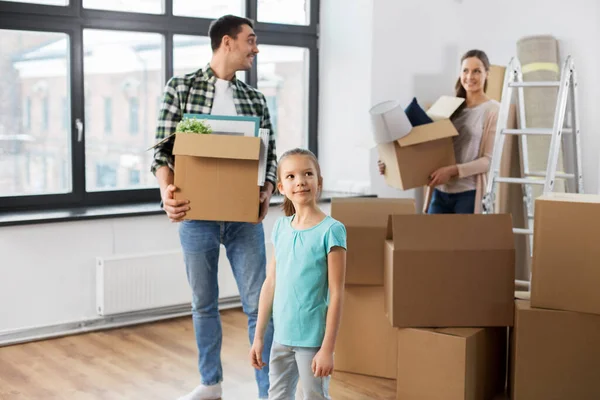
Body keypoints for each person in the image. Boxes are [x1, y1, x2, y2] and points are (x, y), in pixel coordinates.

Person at [151, 15, 278, 400]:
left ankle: (268, 389)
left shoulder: (255, 99)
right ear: (228, 42)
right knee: (203, 304)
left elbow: (268, 157)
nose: (255, 48)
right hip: (196, 215)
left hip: (244, 218)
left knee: (259, 305)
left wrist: (266, 191)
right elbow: (162, 150)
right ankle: (211, 383)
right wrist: (166, 193)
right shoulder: (182, 88)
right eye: (250, 40)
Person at [249, 148, 347, 400]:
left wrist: (328, 349)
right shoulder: (281, 227)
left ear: (319, 182)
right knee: (277, 396)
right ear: (281, 187)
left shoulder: (332, 230)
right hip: (281, 337)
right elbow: (270, 283)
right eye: (291, 176)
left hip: (312, 340)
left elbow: (336, 293)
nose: (300, 181)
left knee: (315, 396)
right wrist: (259, 337)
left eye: (307, 174)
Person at [378, 49, 499, 214]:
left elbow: (489, 161)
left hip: (468, 194)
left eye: (476, 71)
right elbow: (422, 145)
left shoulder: (493, 110)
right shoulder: (449, 106)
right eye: (465, 70)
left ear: (487, 73)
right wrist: (389, 162)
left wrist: (452, 171)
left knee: (462, 241)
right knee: (431, 239)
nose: (470, 77)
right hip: (440, 192)